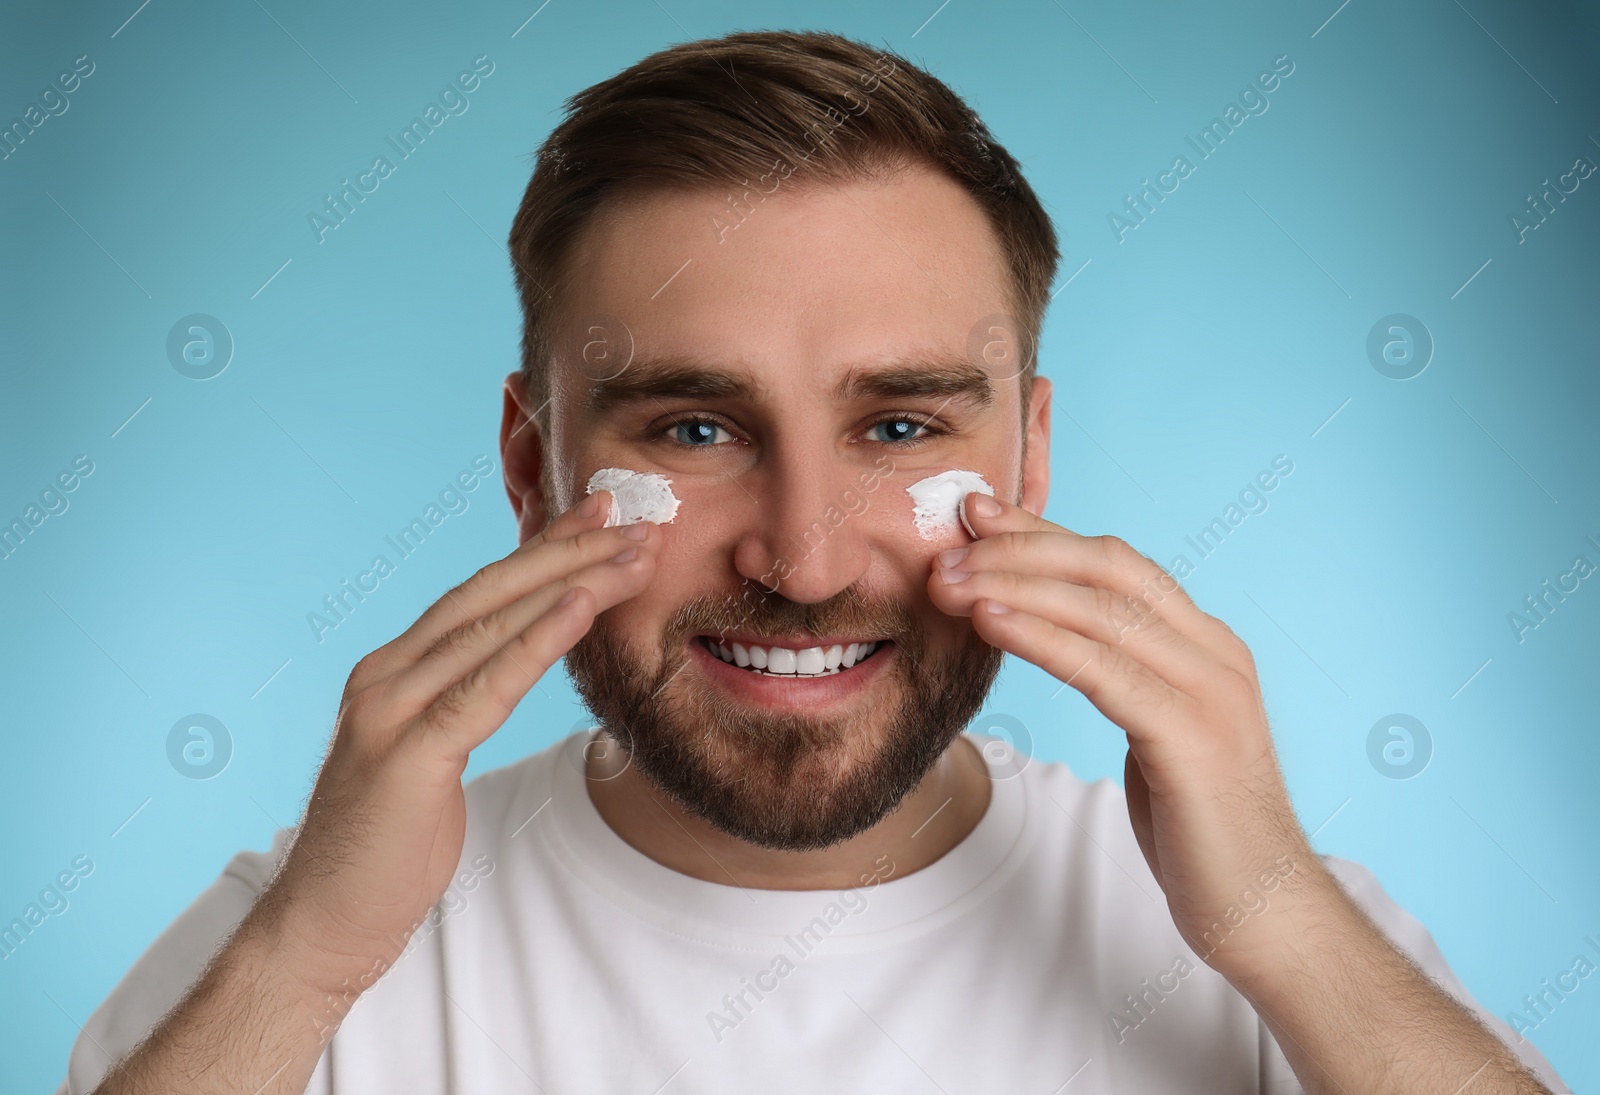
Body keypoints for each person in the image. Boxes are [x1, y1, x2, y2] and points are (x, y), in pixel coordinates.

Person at [61, 29, 1566, 1094]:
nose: (802, 554)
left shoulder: (1287, 952)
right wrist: (305, 971)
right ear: (536, 470)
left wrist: (1289, 933)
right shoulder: (295, 942)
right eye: (699, 428)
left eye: (902, 424)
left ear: (1027, 463)